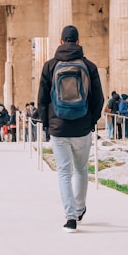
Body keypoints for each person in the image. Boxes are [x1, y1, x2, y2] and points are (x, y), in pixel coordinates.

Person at [38, 24, 104, 233]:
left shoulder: (49, 66)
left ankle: (70, 217)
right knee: (81, 169)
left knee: (64, 172)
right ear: (78, 40)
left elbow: (41, 100)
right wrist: (92, 122)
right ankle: (80, 208)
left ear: (60, 41)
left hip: (58, 127)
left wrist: (47, 125)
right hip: (82, 126)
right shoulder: (89, 66)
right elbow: (98, 98)